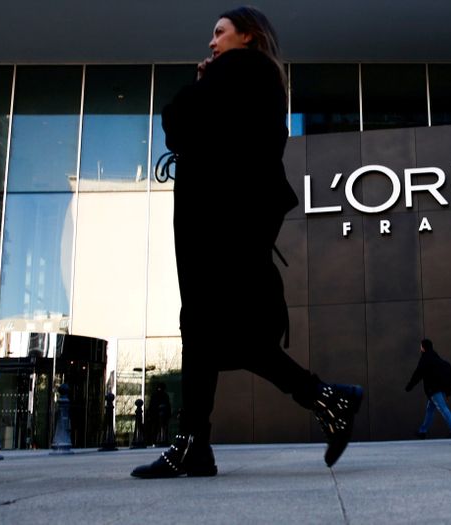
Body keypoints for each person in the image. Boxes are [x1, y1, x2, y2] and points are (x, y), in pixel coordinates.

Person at [131, 6, 363, 479]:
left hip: (220, 220)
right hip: (232, 219)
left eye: (219, 33)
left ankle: (195, 444)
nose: (212, 43)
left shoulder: (239, 69)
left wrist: (200, 85)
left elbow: (176, 121)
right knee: (217, 331)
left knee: (204, 324)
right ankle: (324, 401)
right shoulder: (262, 80)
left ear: (248, 36)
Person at [405, 339, 451, 439]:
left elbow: (418, 374)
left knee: (443, 408)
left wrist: (410, 386)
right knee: (430, 410)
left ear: (423, 347)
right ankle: (422, 431)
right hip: (440, 388)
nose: (420, 348)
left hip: (433, 389)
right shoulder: (437, 358)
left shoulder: (426, 358)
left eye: (421, 346)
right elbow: (448, 376)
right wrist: (448, 391)